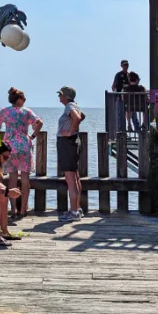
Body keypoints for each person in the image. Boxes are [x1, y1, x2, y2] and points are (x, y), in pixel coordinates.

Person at [0, 87, 43, 219]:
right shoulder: (26, 112)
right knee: (25, 178)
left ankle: (13, 209)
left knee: (12, 178)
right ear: (19, 100)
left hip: (10, 147)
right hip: (24, 145)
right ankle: (23, 209)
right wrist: (33, 136)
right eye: (23, 99)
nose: (25, 101)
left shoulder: (4, 111)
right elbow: (39, 122)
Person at [56, 86, 85, 221]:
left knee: (70, 180)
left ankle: (73, 212)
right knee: (75, 177)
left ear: (65, 96)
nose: (59, 97)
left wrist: (69, 132)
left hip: (67, 143)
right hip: (73, 143)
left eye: (60, 95)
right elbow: (82, 116)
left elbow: (78, 118)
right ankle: (77, 209)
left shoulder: (69, 106)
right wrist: (73, 130)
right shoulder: (74, 105)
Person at [111, 60, 131, 131]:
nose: (126, 66)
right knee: (120, 114)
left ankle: (130, 127)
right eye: (124, 65)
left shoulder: (129, 75)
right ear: (121, 66)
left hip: (129, 99)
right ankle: (121, 131)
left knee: (130, 114)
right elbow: (113, 86)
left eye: (127, 65)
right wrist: (116, 96)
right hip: (120, 98)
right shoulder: (118, 75)